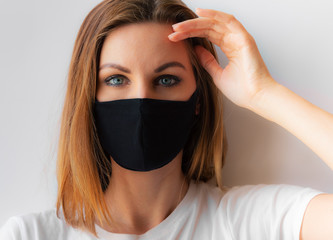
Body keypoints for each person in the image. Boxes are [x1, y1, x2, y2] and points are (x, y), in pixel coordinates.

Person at [1, 0, 332, 239]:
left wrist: (264, 93)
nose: (142, 100)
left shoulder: (249, 222)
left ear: (198, 102)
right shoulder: (31, 234)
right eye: (117, 79)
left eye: (167, 80)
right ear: (88, 97)